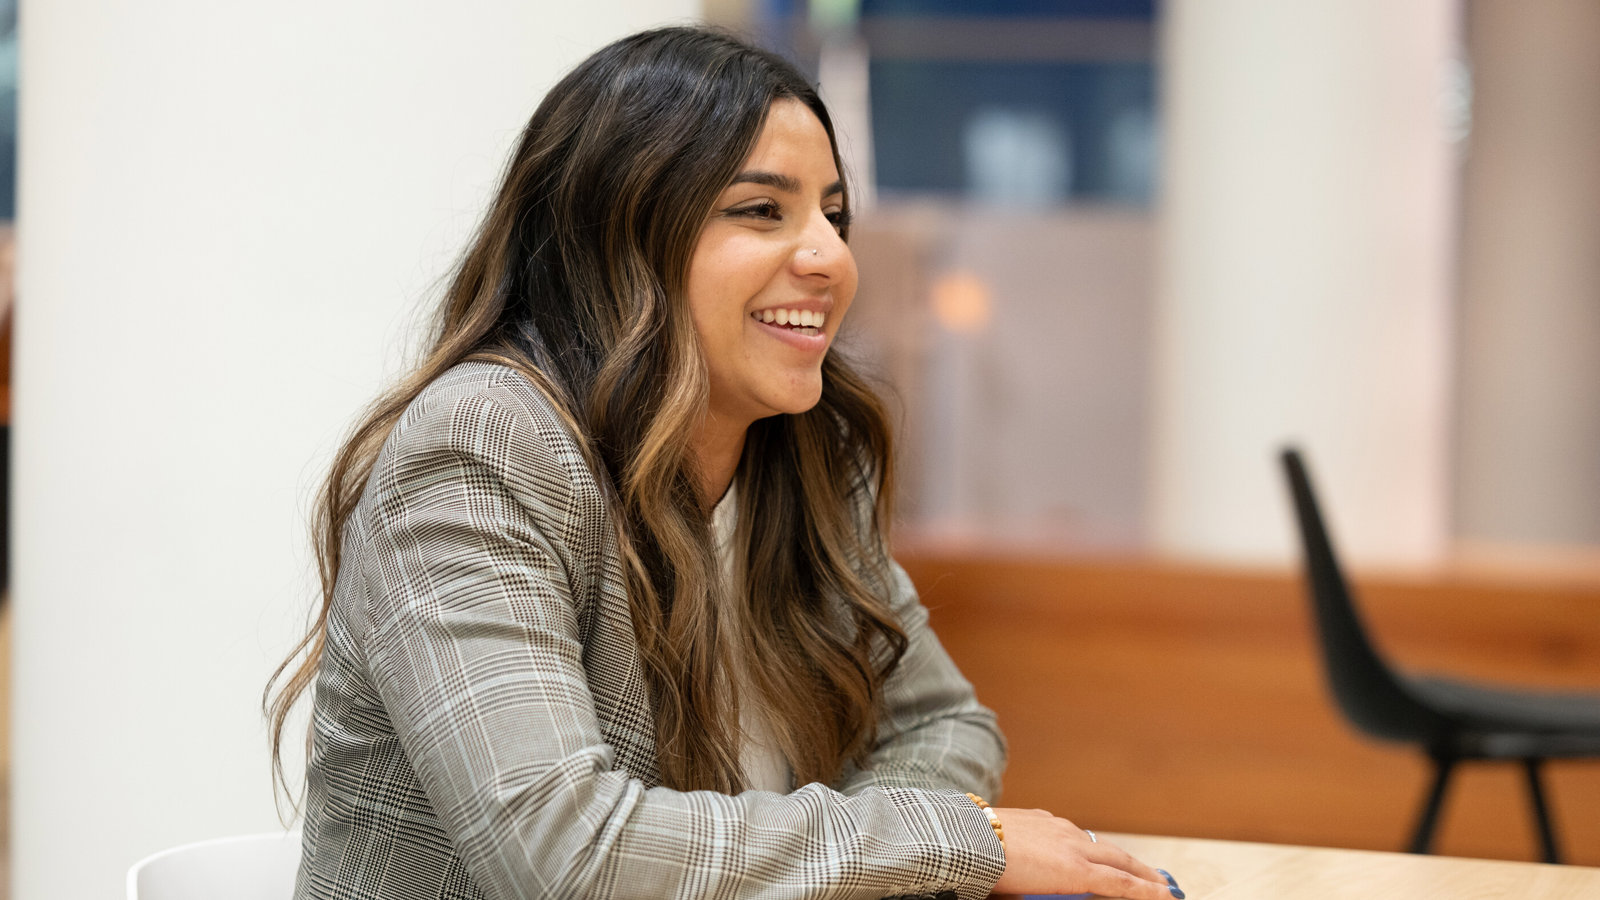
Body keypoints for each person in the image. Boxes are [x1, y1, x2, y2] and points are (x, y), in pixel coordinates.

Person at [265, 25, 1183, 900]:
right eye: (760, 211)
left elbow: (944, 725)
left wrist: (858, 859)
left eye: (833, 213)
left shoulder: (802, 456)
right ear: (618, 237)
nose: (829, 255)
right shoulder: (482, 449)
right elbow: (568, 852)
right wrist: (949, 841)